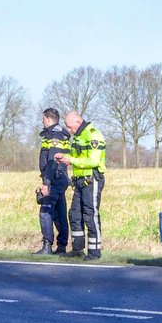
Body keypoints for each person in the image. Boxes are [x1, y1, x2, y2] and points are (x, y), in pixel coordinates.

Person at [55, 110, 106, 259]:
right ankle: (77, 249)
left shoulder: (93, 134)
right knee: (75, 215)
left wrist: (71, 161)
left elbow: (94, 161)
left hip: (92, 180)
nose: (69, 131)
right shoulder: (77, 137)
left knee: (90, 215)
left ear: (78, 122)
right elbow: (78, 158)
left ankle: (95, 252)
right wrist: (65, 158)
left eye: (70, 127)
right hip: (79, 181)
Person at [35, 108, 71, 255]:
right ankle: (62, 247)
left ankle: (47, 246)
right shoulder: (61, 134)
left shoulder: (54, 135)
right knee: (60, 210)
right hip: (60, 177)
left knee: (46, 210)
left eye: (43, 119)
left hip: (54, 176)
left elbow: (53, 161)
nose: (42, 121)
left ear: (48, 118)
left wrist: (46, 183)